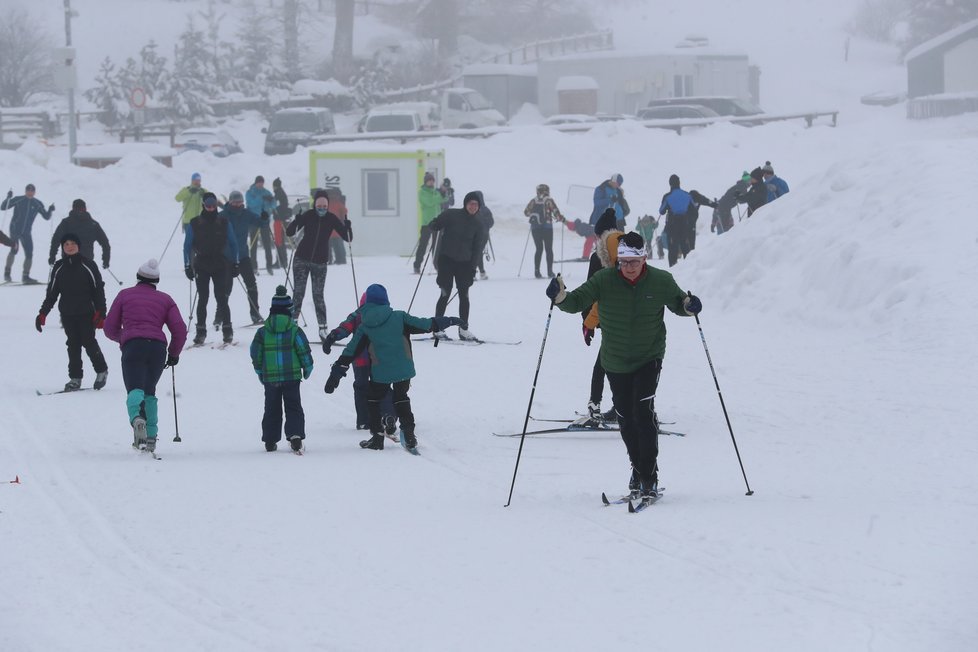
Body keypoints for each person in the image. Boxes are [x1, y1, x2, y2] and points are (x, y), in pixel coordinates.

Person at [545, 231, 702, 500]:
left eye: (634, 262)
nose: (628, 268)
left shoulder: (661, 280)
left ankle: (648, 477)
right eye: (624, 262)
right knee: (626, 418)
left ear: (644, 259)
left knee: (642, 412)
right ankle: (637, 468)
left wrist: (690, 306)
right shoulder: (604, 280)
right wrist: (559, 297)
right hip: (615, 359)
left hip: (648, 356)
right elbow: (576, 302)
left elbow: (680, 304)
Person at [323, 283, 461, 451]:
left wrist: (335, 374)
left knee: (373, 399)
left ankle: (377, 437)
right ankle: (409, 434)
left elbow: (350, 352)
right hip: (404, 370)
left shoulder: (365, 326)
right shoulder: (399, 317)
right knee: (401, 397)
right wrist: (450, 320)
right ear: (386, 301)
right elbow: (426, 324)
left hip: (380, 372)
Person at [103, 259, 188, 453]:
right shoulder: (166, 299)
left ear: (138, 277)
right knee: (149, 392)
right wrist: (173, 353)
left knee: (135, 388)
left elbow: (109, 328)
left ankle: (137, 419)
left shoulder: (125, 295)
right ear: (156, 280)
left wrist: (124, 337)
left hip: (133, 346)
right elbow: (180, 330)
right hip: (157, 348)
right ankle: (151, 437)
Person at [36, 233, 110, 392]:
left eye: (73, 243)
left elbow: (98, 290)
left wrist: (101, 311)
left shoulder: (88, 265)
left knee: (88, 342)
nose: (69, 246)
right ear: (63, 247)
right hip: (67, 313)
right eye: (66, 244)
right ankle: (75, 378)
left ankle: (101, 370)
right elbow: (52, 293)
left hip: (86, 312)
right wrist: (43, 313)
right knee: (73, 344)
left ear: (78, 246)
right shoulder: (59, 267)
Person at [322, 292, 399, 437]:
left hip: (360, 360)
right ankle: (389, 415)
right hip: (381, 359)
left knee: (361, 388)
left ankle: (363, 421)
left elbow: (345, 328)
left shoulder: (357, 315)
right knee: (384, 388)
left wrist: (333, 336)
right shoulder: (387, 315)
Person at [250, 285, 314, 453]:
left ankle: (270, 440)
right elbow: (303, 350)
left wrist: (259, 370)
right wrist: (307, 367)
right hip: (291, 377)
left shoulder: (262, 332)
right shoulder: (295, 331)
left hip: (270, 378)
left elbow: (255, 352)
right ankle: (295, 436)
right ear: (289, 311)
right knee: (293, 405)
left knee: (271, 407)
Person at [285, 189, 352, 342]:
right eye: (319, 205)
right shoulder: (308, 215)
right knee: (298, 293)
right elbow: (290, 232)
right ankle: (292, 326)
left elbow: (348, 238)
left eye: (324, 205)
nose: (321, 208)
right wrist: (296, 220)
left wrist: (347, 226)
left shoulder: (331, 218)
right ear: (315, 204)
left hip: (320, 262)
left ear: (327, 206)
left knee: (318, 295)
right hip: (302, 258)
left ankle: (323, 329)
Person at [582, 209, 623, 421]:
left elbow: (590, 292)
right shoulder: (627, 251)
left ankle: (595, 403)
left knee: (604, 361)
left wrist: (586, 322)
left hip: (606, 316)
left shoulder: (598, 256)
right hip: (628, 317)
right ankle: (622, 405)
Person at [183, 192, 239, 345]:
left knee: (221, 298)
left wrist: (235, 263)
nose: (211, 208)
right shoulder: (195, 223)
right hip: (201, 263)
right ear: (203, 205)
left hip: (220, 263)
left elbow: (233, 244)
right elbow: (187, 246)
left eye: (213, 205)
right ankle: (201, 332)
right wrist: (187, 265)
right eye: (208, 205)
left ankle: (227, 331)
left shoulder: (224, 222)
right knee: (203, 298)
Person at [429, 191, 486, 341]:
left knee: (464, 296)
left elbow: (477, 249)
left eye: (476, 204)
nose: (473, 207)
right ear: (465, 204)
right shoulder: (451, 215)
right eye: (470, 203)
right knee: (444, 293)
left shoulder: (479, 224)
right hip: (446, 260)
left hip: (465, 265)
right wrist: (434, 224)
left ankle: (463, 329)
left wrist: (473, 269)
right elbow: (437, 222)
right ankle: (438, 328)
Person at [221, 190, 266, 325]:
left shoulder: (246, 214)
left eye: (240, 202)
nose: (238, 204)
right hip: (227, 257)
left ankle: (255, 313)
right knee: (225, 288)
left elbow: (261, 224)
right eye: (235, 202)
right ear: (230, 202)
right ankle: (220, 316)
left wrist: (265, 217)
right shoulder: (223, 215)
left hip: (243, 256)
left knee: (251, 285)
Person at [3, 183, 54, 284]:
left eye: (32, 191)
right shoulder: (18, 199)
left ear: (34, 192)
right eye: (28, 190)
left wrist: (50, 210)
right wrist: (8, 197)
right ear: (25, 191)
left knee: (29, 253)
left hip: (26, 232)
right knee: (14, 249)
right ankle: (7, 274)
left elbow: (46, 217)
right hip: (15, 230)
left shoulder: (37, 203)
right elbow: (3, 207)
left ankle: (25, 276)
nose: (30, 192)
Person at [49, 199, 111, 270]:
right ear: (85, 209)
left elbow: (55, 240)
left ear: (73, 208)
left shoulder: (66, 223)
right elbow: (105, 243)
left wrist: (52, 257)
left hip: (69, 262)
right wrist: (106, 260)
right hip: (87, 263)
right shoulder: (93, 224)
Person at [523, 183, 566, 279]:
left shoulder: (533, 201)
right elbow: (556, 213)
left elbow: (526, 212)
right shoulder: (549, 200)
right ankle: (550, 272)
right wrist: (561, 219)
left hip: (535, 228)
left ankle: (537, 271)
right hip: (547, 227)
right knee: (549, 249)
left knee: (538, 249)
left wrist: (535, 216)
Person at [586, 173, 629, 259]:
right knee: (605, 244)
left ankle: (620, 261)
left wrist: (623, 210)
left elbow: (621, 203)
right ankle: (603, 262)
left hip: (619, 220)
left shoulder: (618, 190)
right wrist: (609, 200)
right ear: (612, 181)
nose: (618, 186)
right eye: (617, 183)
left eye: (619, 184)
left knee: (621, 242)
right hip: (606, 220)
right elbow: (597, 203)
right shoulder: (601, 189)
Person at [658, 174, 694, 267]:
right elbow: (693, 209)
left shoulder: (667, 196)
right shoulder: (687, 195)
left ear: (670, 184)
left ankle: (673, 268)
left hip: (672, 224)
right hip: (684, 223)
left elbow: (661, 211)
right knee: (685, 245)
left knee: (673, 247)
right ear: (679, 183)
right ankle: (689, 266)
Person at [246, 175, 277, 274]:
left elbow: (274, 204)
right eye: (259, 182)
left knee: (267, 244)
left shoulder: (266, 192)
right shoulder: (250, 192)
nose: (260, 184)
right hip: (254, 220)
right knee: (253, 244)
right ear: (255, 183)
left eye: (262, 182)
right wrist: (261, 199)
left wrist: (271, 201)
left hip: (264, 220)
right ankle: (254, 267)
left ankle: (269, 266)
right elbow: (251, 204)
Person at [414, 172, 443, 274]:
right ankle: (417, 265)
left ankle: (437, 266)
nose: (431, 182)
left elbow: (445, 199)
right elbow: (429, 202)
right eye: (429, 180)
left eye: (432, 180)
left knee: (437, 246)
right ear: (426, 182)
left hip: (437, 223)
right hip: (427, 223)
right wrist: (440, 196)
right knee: (423, 245)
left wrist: (444, 192)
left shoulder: (435, 192)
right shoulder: (422, 192)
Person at [271, 178, 292, 269]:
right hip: (281, 219)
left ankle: (281, 261)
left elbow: (278, 206)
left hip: (279, 220)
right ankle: (282, 261)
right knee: (280, 241)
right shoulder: (281, 193)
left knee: (279, 241)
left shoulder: (278, 194)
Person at [473, 191, 494, 280]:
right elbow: (491, 222)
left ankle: (476, 272)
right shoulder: (485, 209)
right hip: (479, 234)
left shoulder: (475, 209)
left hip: (479, 235)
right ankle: (481, 272)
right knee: (477, 253)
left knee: (476, 253)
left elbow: (490, 222)